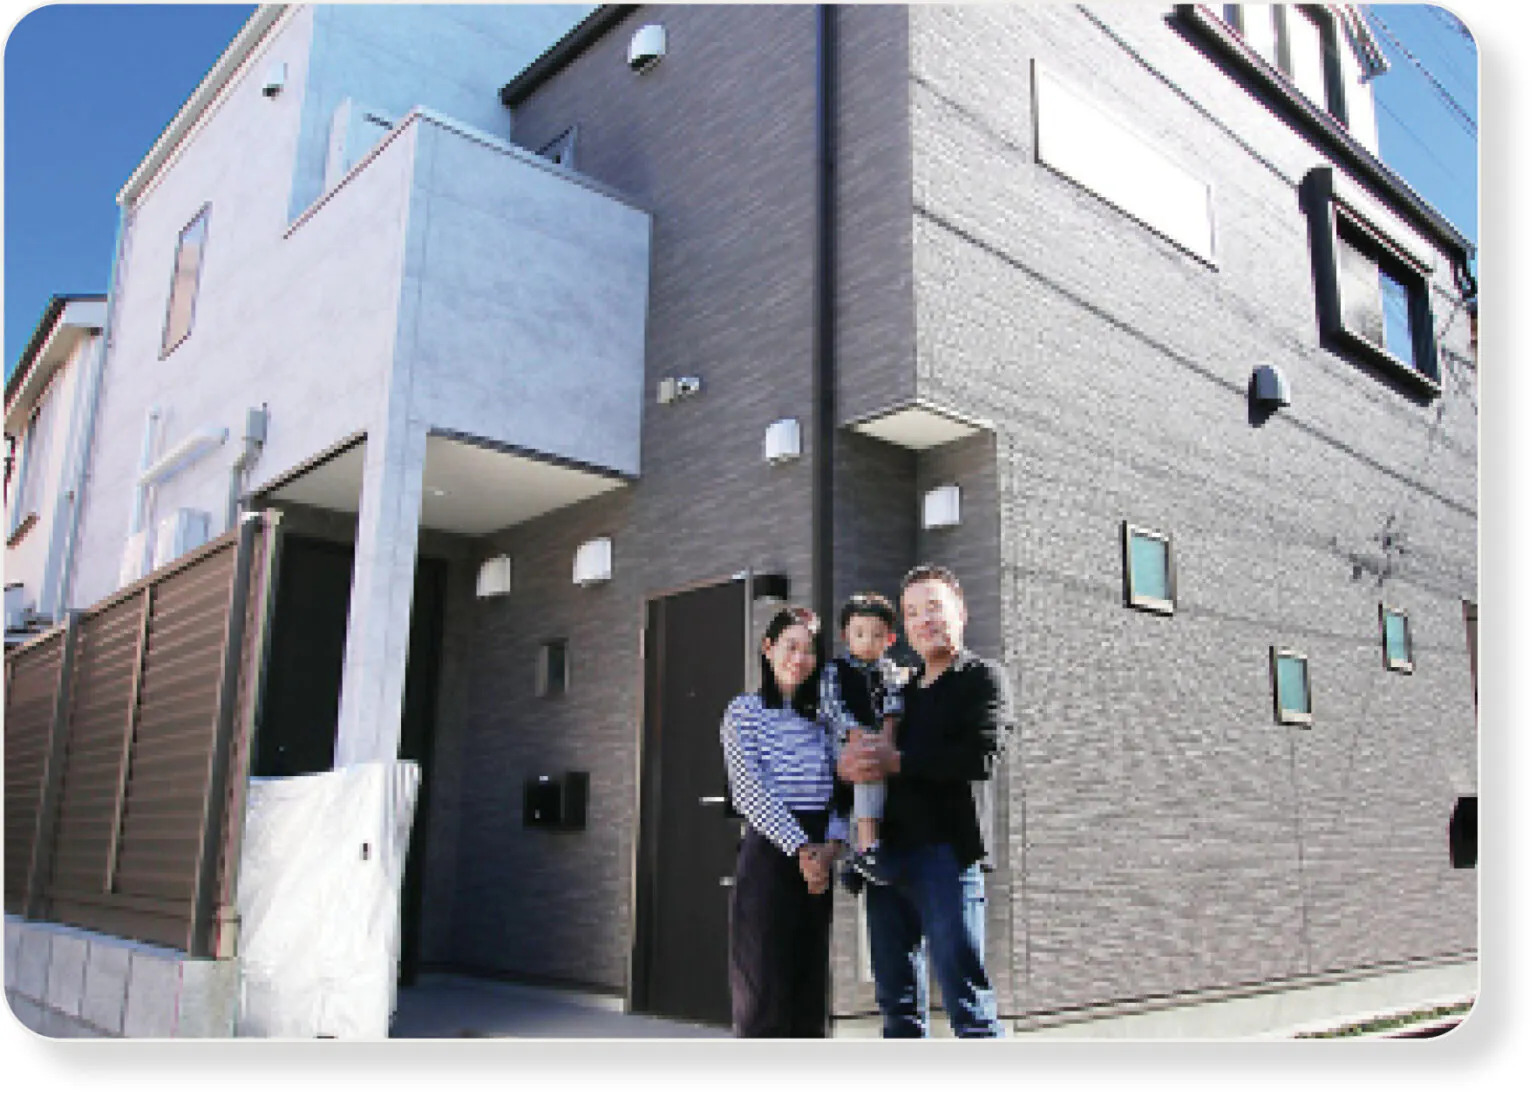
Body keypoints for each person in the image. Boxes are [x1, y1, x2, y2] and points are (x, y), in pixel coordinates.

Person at [837, 564, 1012, 1038]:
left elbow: (980, 756)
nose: (924, 620)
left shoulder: (983, 678)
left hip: (948, 858)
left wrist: (896, 761)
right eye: (912, 612)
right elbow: (866, 760)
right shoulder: (899, 691)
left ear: (961, 611)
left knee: (967, 1002)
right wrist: (849, 768)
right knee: (897, 1007)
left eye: (934, 607)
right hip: (888, 863)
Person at [719, 605, 848, 1038]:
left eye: (809, 650)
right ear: (768, 648)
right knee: (763, 989)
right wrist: (801, 848)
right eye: (791, 646)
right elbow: (747, 791)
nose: (800, 658)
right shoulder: (744, 711)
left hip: (819, 858)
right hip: (771, 854)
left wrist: (831, 848)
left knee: (808, 987)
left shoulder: (823, 718)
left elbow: (842, 788)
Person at [819, 591, 909, 890]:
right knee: (864, 771)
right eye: (859, 634)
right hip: (844, 744)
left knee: (876, 777)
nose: (868, 641)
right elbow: (832, 707)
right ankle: (867, 849)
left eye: (877, 635)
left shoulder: (891, 671)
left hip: (877, 742)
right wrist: (854, 733)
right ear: (846, 636)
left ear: (890, 639)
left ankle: (859, 859)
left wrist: (886, 735)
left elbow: (893, 705)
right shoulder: (834, 670)